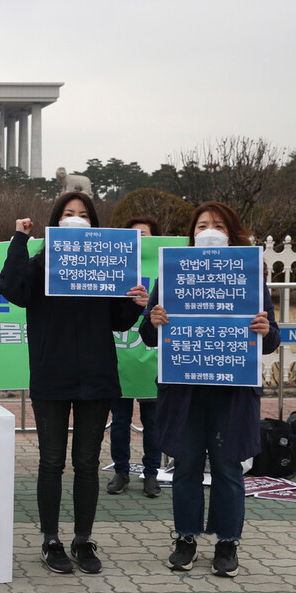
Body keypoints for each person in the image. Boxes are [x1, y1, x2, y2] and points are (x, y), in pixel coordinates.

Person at [0, 192, 148, 575]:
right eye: (68, 214)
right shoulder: (41, 263)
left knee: (86, 462)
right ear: (56, 222)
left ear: (93, 225)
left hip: (97, 377)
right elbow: (12, 289)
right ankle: (50, 540)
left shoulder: (106, 265)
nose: (76, 220)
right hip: (52, 374)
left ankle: (83, 539)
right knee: (50, 462)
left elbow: (117, 319)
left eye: (82, 215)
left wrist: (135, 304)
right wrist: (19, 240)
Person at [139, 201, 279, 578]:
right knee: (185, 468)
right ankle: (185, 538)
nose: (209, 231)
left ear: (231, 234)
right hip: (184, 392)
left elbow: (271, 340)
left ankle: (226, 543)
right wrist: (154, 321)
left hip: (231, 394)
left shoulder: (249, 276)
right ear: (192, 234)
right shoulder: (171, 274)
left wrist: (265, 331)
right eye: (202, 225)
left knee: (227, 469)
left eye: (217, 225)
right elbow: (149, 336)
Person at [108, 216, 164, 498]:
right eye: (133, 236)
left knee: (153, 422)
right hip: (121, 356)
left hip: (153, 355)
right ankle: (121, 471)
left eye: (145, 235)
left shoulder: (166, 268)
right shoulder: (113, 267)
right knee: (119, 420)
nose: (139, 241)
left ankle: (152, 473)